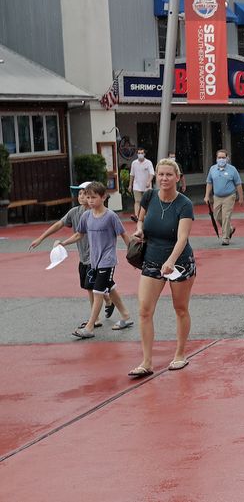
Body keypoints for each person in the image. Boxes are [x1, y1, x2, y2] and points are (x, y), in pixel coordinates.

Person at [128, 159, 195, 377]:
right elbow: (141, 221)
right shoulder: (148, 196)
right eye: (161, 174)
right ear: (155, 176)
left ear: (177, 177)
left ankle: (180, 354)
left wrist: (171, 261)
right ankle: (146, 361)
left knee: (180, 308)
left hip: (180, 262)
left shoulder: (184, 204)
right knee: (144, 310)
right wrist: (139, 231)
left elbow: (182, 237)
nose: (164, 178)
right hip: (152, 259)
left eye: (169, 174)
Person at [56, 182, 135, 338]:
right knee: (109, 287)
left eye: (93, 197)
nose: (90, 200)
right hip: (94, 260)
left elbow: (124, 235)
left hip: (108, 260)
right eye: (88, 197)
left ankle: (90, 327)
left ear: (103, 197)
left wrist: (132, 255)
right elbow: (79, 234)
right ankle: (125, 316)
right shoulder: (86, 216)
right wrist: (63, 243)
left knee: (98, 291)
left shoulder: (111, 216)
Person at [30, 182, 114, 327]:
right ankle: (109, 301)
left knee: (91, 287)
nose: (81, 196)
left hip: (97, 258)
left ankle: (96, 319)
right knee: (101, 286)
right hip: (83, 257)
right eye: (80, 194)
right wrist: (41, 238)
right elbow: (59, 224)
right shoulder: (75, 212)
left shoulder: (99, 214)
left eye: (85, 194)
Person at [204, 149, 244, 246]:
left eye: (223, 157)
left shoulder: (232, 169)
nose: (221, 159)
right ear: (216, 158)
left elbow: (238, 184)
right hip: (217, 196)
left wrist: (241, 197)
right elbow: (209, 182)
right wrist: (206, 196)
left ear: (227, 158)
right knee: (217, 216)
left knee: (226, 216)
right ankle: (229, 229)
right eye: (219, 157)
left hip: (229, 196)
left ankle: (225, 238)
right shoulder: (212, 169)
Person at [129, 148, 154, 222]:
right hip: (137, 185)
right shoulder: (134, 163)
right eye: (139, 153)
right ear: (137, 154)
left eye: (142, 153)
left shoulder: (148, 162)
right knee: (137, 201)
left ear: (144, 154)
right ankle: (136, 216)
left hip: (147, 186)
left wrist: (149, 181)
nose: (140, 154)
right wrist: (130, 185)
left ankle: (147, 215)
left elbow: (151, 173)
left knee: (147, 202)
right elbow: (132, 174)